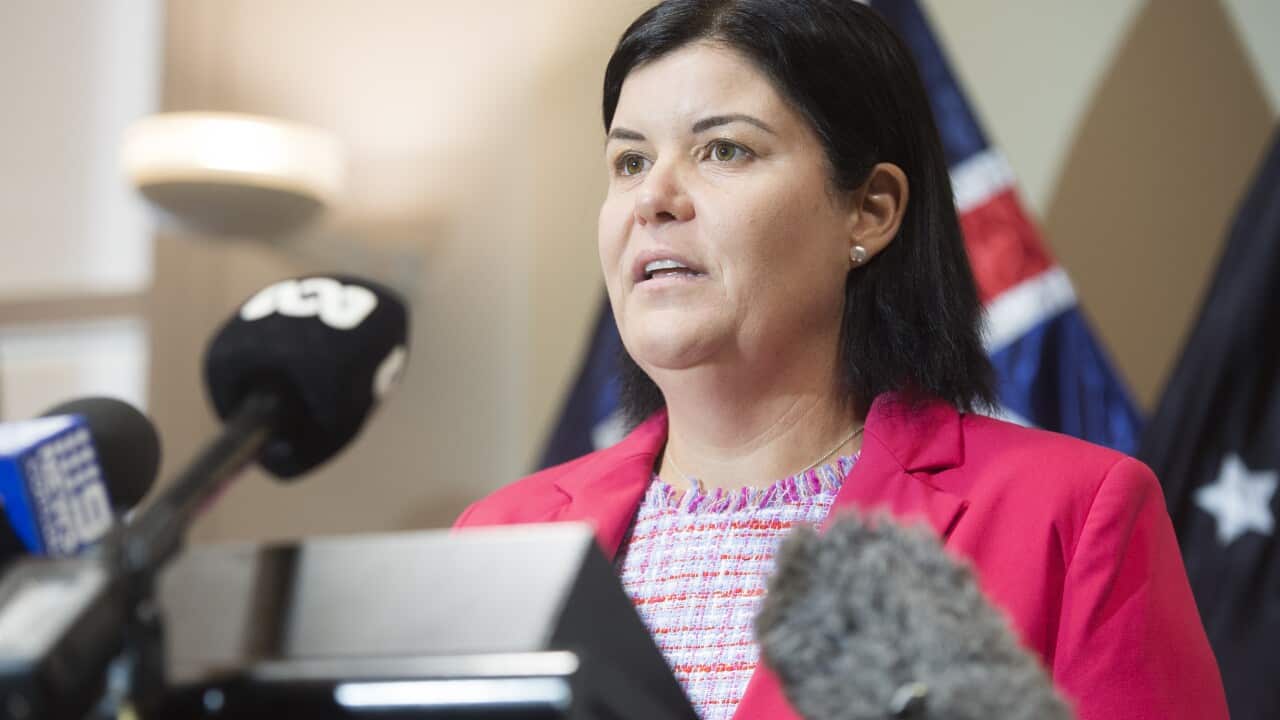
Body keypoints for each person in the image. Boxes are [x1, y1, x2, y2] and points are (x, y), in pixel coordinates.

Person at [453, 1, 1229, 718]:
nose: (654, 197)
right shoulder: (499, 539)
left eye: (722, 150)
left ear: (870, 209)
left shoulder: (1074, 512)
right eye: (628, 162)